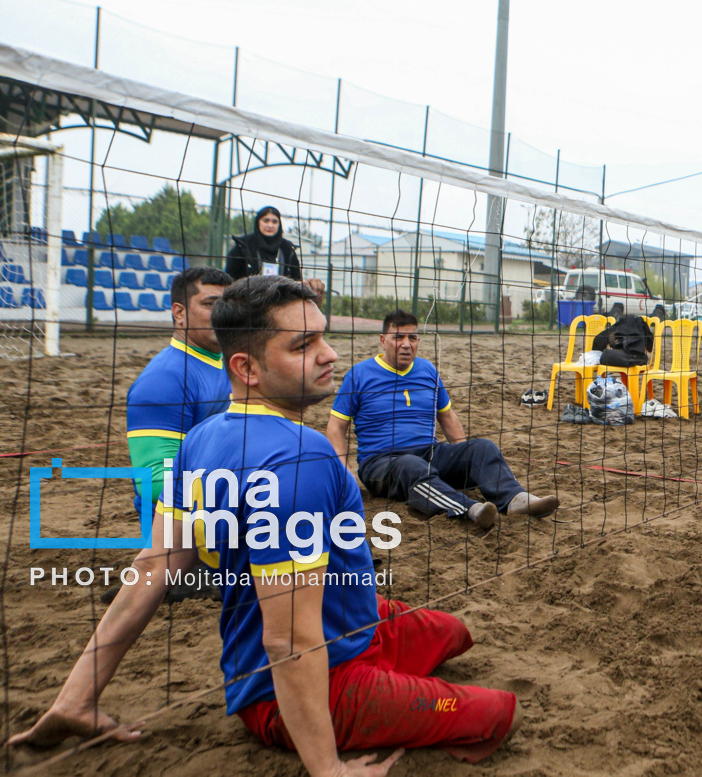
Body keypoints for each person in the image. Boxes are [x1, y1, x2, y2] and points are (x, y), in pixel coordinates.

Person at [9, 277, 521, 773]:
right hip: (311, 681)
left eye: (323, 336)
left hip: (345, 629)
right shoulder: (304, 458)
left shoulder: (201, 439)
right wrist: (330, 770)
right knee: (497, 712)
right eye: (304, 345)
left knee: (453, 633)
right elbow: (290, 643)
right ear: (247, 367)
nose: (330, 355)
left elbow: (153, 568)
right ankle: (368, 708)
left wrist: (75, 698)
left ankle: (76, 704)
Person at [326, 309, 557, 529]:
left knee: (483, 447)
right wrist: (346, 472)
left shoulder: (427, 370)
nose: (407, 344)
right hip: (380, 463)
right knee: (412, 466)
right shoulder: (359, 375)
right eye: (399, 337)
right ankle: (470, 509)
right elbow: (336, 426)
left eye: (413, 337)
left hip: (429, 453)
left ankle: (516, 499)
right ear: (383, 340)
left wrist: (464, 459)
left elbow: (447, 416)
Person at [126, 267, 232, 518]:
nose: (223, 315)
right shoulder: (165, 379)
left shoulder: (227, 360)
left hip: (219, 512)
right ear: (179, 313)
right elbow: (154, 483)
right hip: (177, 529)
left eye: (227, 306)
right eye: (210, 304)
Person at [226, 205, 324, 295]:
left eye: (274, 221)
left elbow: (296, 281)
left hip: (281, 304)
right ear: (258, 222)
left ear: (279, 224)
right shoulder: (243, 246)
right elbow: (231, 280)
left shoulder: (287, 249)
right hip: (247, 303)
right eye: (266, 220)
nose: (270, 225)